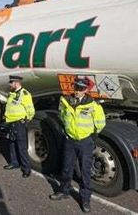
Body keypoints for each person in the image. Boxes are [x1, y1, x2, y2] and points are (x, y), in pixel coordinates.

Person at [49, 77, 106, 213]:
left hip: (85, 142)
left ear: (86, 90)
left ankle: (85, 198)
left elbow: (100, 123)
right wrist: (67, 132)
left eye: (81, 89)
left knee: (85, 171)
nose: (77, 91)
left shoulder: (92, 104)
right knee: (66, 167)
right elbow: (62, 116)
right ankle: (64, 191)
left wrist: (91, 137)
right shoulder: (65, 100)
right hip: (70, 140)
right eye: (76, 88)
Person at [2, 75, 35, 178]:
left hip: (19, 123)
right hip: (11, 122)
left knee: (21, 146)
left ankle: (26, 169)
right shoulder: (12, 93)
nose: (10, 84)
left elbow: (30, 110)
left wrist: (25, 121)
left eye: (11, 82)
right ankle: (14, 163)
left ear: (16, 83)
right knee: (12, 143)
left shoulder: (24, 94)